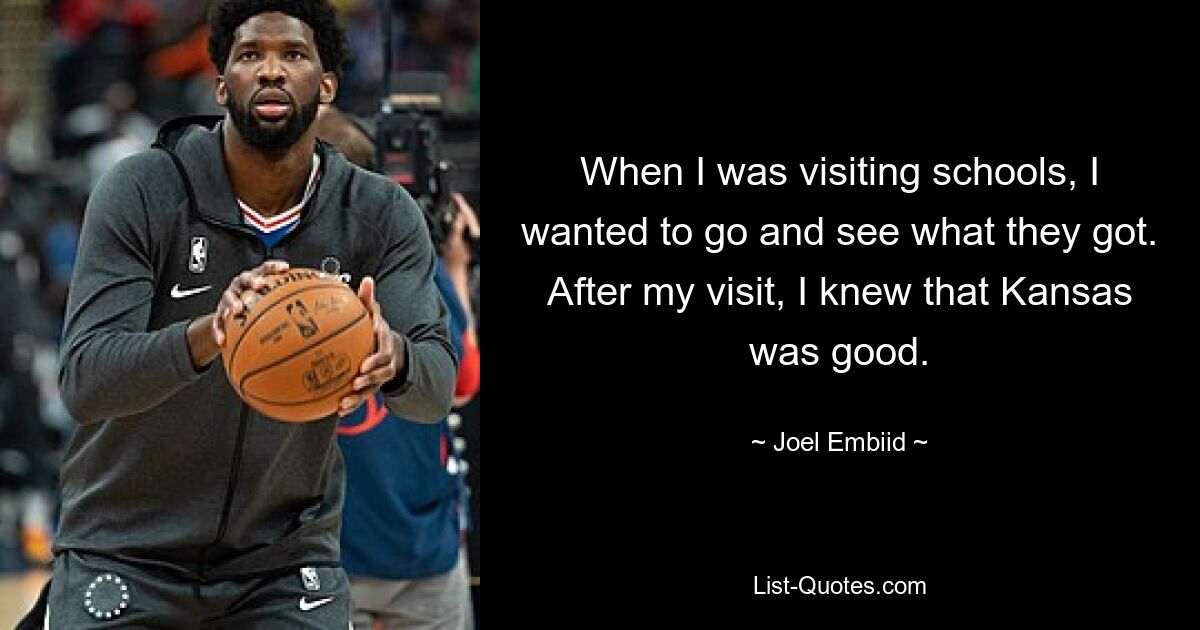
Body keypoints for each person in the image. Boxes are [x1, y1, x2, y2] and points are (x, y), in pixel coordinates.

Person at [31, 0, 457, 626]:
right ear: (221, 82)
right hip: (124, 550)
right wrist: (209, 335)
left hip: (282, 563)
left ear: (327, 85)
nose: (272, 70)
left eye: (294, 55)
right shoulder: (143, 190)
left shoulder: (379, 213)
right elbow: (86, 381)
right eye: (251, 55)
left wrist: (390, 358)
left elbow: (436, 389)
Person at [314, 103, 481, 630]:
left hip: (321, 553)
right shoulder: (410, 255)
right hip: (417, 547)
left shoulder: (277, 272)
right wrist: (456, 269)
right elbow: (464, 383)